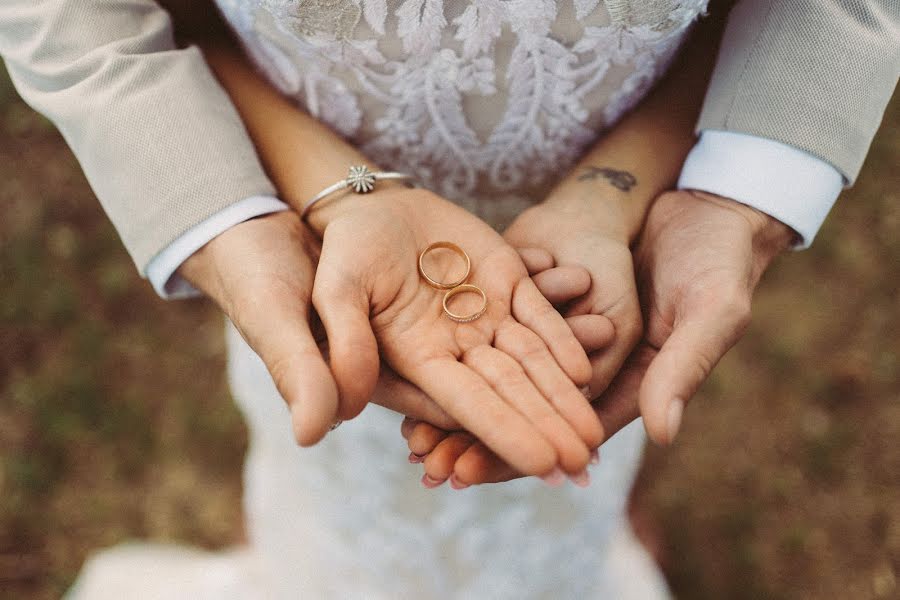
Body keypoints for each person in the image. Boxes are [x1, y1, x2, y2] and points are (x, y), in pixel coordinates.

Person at [0, 0, 897, 597]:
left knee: (568, 477)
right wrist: (305, 210)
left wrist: (655, 201)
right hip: (328, 250)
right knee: (329, 512)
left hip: (593, 276)